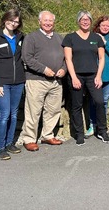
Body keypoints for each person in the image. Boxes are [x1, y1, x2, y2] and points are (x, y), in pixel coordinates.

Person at [62, 11, 109, 145]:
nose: (85, 22)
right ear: (78, 21)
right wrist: (73, 77)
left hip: (93, 76)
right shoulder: (70, 38)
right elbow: (68, 59)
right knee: (76, 105)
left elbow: (101, 58)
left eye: (87, 19)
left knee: (100, 102)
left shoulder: (97, 37)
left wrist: (99, 76)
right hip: (76, 75)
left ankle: (102, 131)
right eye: (82, 19)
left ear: (90, 21)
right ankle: (79, 134)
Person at [21, 11, 66, 152]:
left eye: (50, 21)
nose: (48, 23)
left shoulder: (59, 38)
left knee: (53, 110)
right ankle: (29, 139)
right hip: (36, 80)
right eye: (45, 20)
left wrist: (64, 69)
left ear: (54, 22)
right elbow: (27, 58)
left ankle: (47, 135)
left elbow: (66, 59)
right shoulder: (31, 37)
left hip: (56, 81)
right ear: (39, 21)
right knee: (33, 111)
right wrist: (43, 69)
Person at [0, 9, 26, 160]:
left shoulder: (20, 37)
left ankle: (10, 143)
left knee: (14, 114)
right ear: (5, 20)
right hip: (1, 83)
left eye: (16, 21)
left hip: (18, 83)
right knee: (4, 115)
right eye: (11, 20)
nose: (13, 23)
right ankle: (1, 147)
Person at [85, 15, 109, 138]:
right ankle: (92, 125)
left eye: (108, 26)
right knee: (94, 101)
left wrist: (105, 43)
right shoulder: (92, 36)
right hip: (94, 74)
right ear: (98, 25)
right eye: (103, 25)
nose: (105, 27)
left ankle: (102, 126)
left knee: (104, 101)